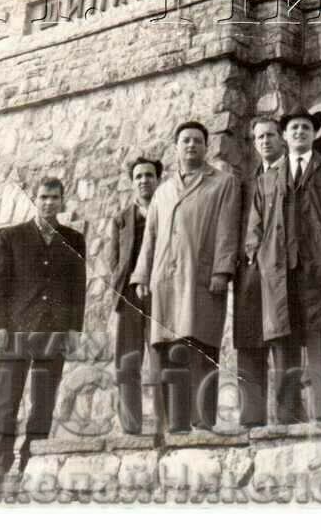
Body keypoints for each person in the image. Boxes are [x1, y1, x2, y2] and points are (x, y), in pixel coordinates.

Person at [131, 121, 240, 432]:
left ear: (206, 147)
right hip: (164, 279)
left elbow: (227, 230)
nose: (191, 146)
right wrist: (141, 276)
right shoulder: (163, 191)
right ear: (176, 148)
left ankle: (202, 420)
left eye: (197, 141)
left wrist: (222, 269)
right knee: (167, 350)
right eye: (185, 141)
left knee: (201, 345)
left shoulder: (222, 183)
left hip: (200, 276)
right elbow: (150, 237)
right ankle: (173, 425)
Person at [245, 106, 321, 423]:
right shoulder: (268, 179)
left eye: (305, 127)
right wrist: (258, 254)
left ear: (313, 134)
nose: (299, 132)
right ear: (285, 137)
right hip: (279, 272)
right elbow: (255, 223)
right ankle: (287, 417)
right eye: (293, 129)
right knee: (283, 344)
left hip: (319, 270)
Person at [0, 176, 86, 484]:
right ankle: (0, 462)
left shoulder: (74, 239)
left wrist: (74, 330)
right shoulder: (10, 237)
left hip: (54, 331)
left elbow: (77, 288)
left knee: (43, 400)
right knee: (7, 399)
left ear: (62, 202)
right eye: (43, 197)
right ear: (34, 199)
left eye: (54, 198)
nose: (48, 203)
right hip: (16, 330)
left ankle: (32, 458)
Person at [233, 116, 286, 427]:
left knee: (281, 341)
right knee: (250, 343)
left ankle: (284, 416)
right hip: (250, 272)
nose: (265, 141)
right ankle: (251, 416)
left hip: (279, 266)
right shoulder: (248, 182)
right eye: (259, 137)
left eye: (270, 135)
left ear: (281, 139)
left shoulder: (289, 174)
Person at [107, 155, 163, 434]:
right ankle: (131, 427)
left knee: (160, 361)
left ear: (158, 179)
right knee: (127, 362)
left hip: (159, 294)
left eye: (149, 175)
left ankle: (165, 425)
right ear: (132, 183)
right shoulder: (120, 219)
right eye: (139, 176)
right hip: (129, 297)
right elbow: (114, 261)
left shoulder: (165, 212)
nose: (144, 180)